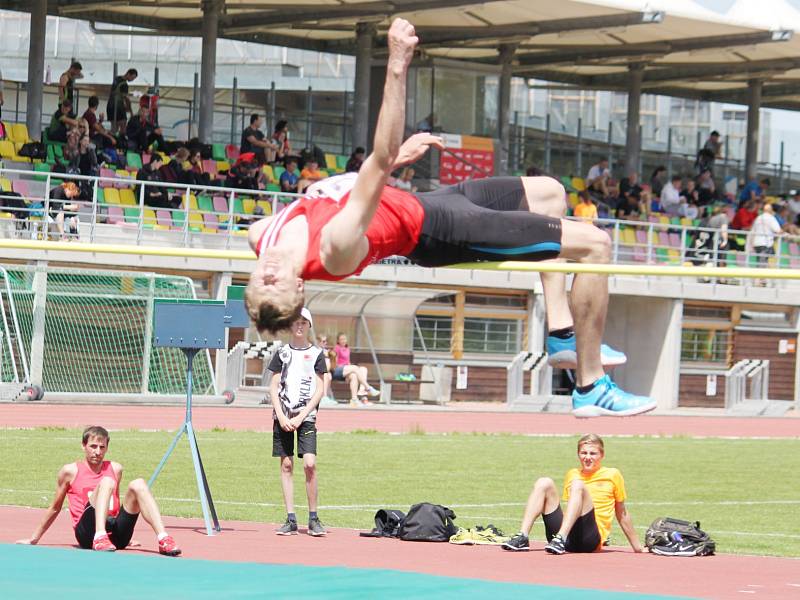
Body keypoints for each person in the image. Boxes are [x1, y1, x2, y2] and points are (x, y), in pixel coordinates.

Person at [244, 18, 651, 417]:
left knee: (551, 194)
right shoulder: (335, 248)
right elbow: (376, 163)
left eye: (258, 280)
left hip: (435, 202)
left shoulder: (262, 233)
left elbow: (352, 185)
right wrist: (398, 64)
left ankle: (562, 333)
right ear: (299, 285)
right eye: (274, 283)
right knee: (596, 245)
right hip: (444, 231)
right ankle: (591, 384)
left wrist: (396, 161)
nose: (267, 272)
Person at [16, 425, 181, 555]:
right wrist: (34, 538)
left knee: (138, 483)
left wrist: (125, 531)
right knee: (107, 481)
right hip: (87, 534)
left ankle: (163, 538)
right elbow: (55, 507)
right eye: (93, 446)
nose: (97, 452)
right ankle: (99, 535)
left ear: (107, 448)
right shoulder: (70, 471)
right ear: (83, 446)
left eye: (102, 447)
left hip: (115, 535)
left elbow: (114, 505)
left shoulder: (115, 468)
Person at [501, 434, 643, 555]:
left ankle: (560, 538)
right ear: (578, 454)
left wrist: (637, 547)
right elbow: (570, 509)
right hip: (568, 537)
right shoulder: (572, 473)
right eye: (584, 453)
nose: (587, 457)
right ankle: (523, 537)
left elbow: (621, 513)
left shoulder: (613, 474)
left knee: (578, 484)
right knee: (544, 482)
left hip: (590, 540)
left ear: (602, 455)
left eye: (592, 453)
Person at [268, 308, 327, 537]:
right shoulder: (282, 353)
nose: (299, 326)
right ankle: (291, 518)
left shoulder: (317, 354)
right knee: (286, 465)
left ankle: (313, 518)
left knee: (309, 464)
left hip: (307, 416)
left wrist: (301, 415)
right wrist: (282, 416)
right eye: (295, 323)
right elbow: (273, 386)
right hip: (283, 415)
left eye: (304, 322)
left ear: (309, 326)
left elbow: (320, 389)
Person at [333, 333, 380, 406]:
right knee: (355, 368)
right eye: (341, 339)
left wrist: (349, 369)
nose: (343, 341)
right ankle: (368, 388)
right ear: (338, 341)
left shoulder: (347, 348)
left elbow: (348, 361)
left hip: (346, 369)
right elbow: (335, 362)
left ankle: (355, 398)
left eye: (344, 339)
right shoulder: (337, 348)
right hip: (339, 369)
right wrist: (348, 368)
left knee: (361, 371)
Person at [107, 68, 138, 134]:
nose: (132, 80)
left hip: (110, 105)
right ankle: (120, 142)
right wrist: (131, 111)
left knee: (114, 128)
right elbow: (126, 99)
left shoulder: (117, 79)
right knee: (123, 126)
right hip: (118, 107)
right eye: (132, 78)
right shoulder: (124, 85)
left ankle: (111, 140)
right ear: (128, 74)